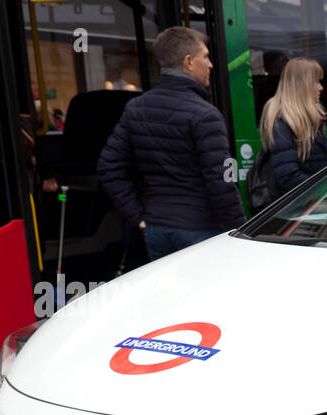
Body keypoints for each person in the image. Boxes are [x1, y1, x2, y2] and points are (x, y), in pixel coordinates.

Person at [97, 26, 244, 261]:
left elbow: (108, 167)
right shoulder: (206, 115)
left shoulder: (135, 108)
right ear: (188, 62)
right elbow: (222, 182)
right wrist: (240, 230)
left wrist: (138, 217)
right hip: (201, 230)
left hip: (157, 229)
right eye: (205, 57)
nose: (210, 64)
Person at [259, 57, 327, 193]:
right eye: (316, 82)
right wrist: (323, 191)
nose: (321, 87)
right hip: (306, 201)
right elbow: (289, 177)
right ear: (302, 85)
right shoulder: (282, 123)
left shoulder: (313, 117)